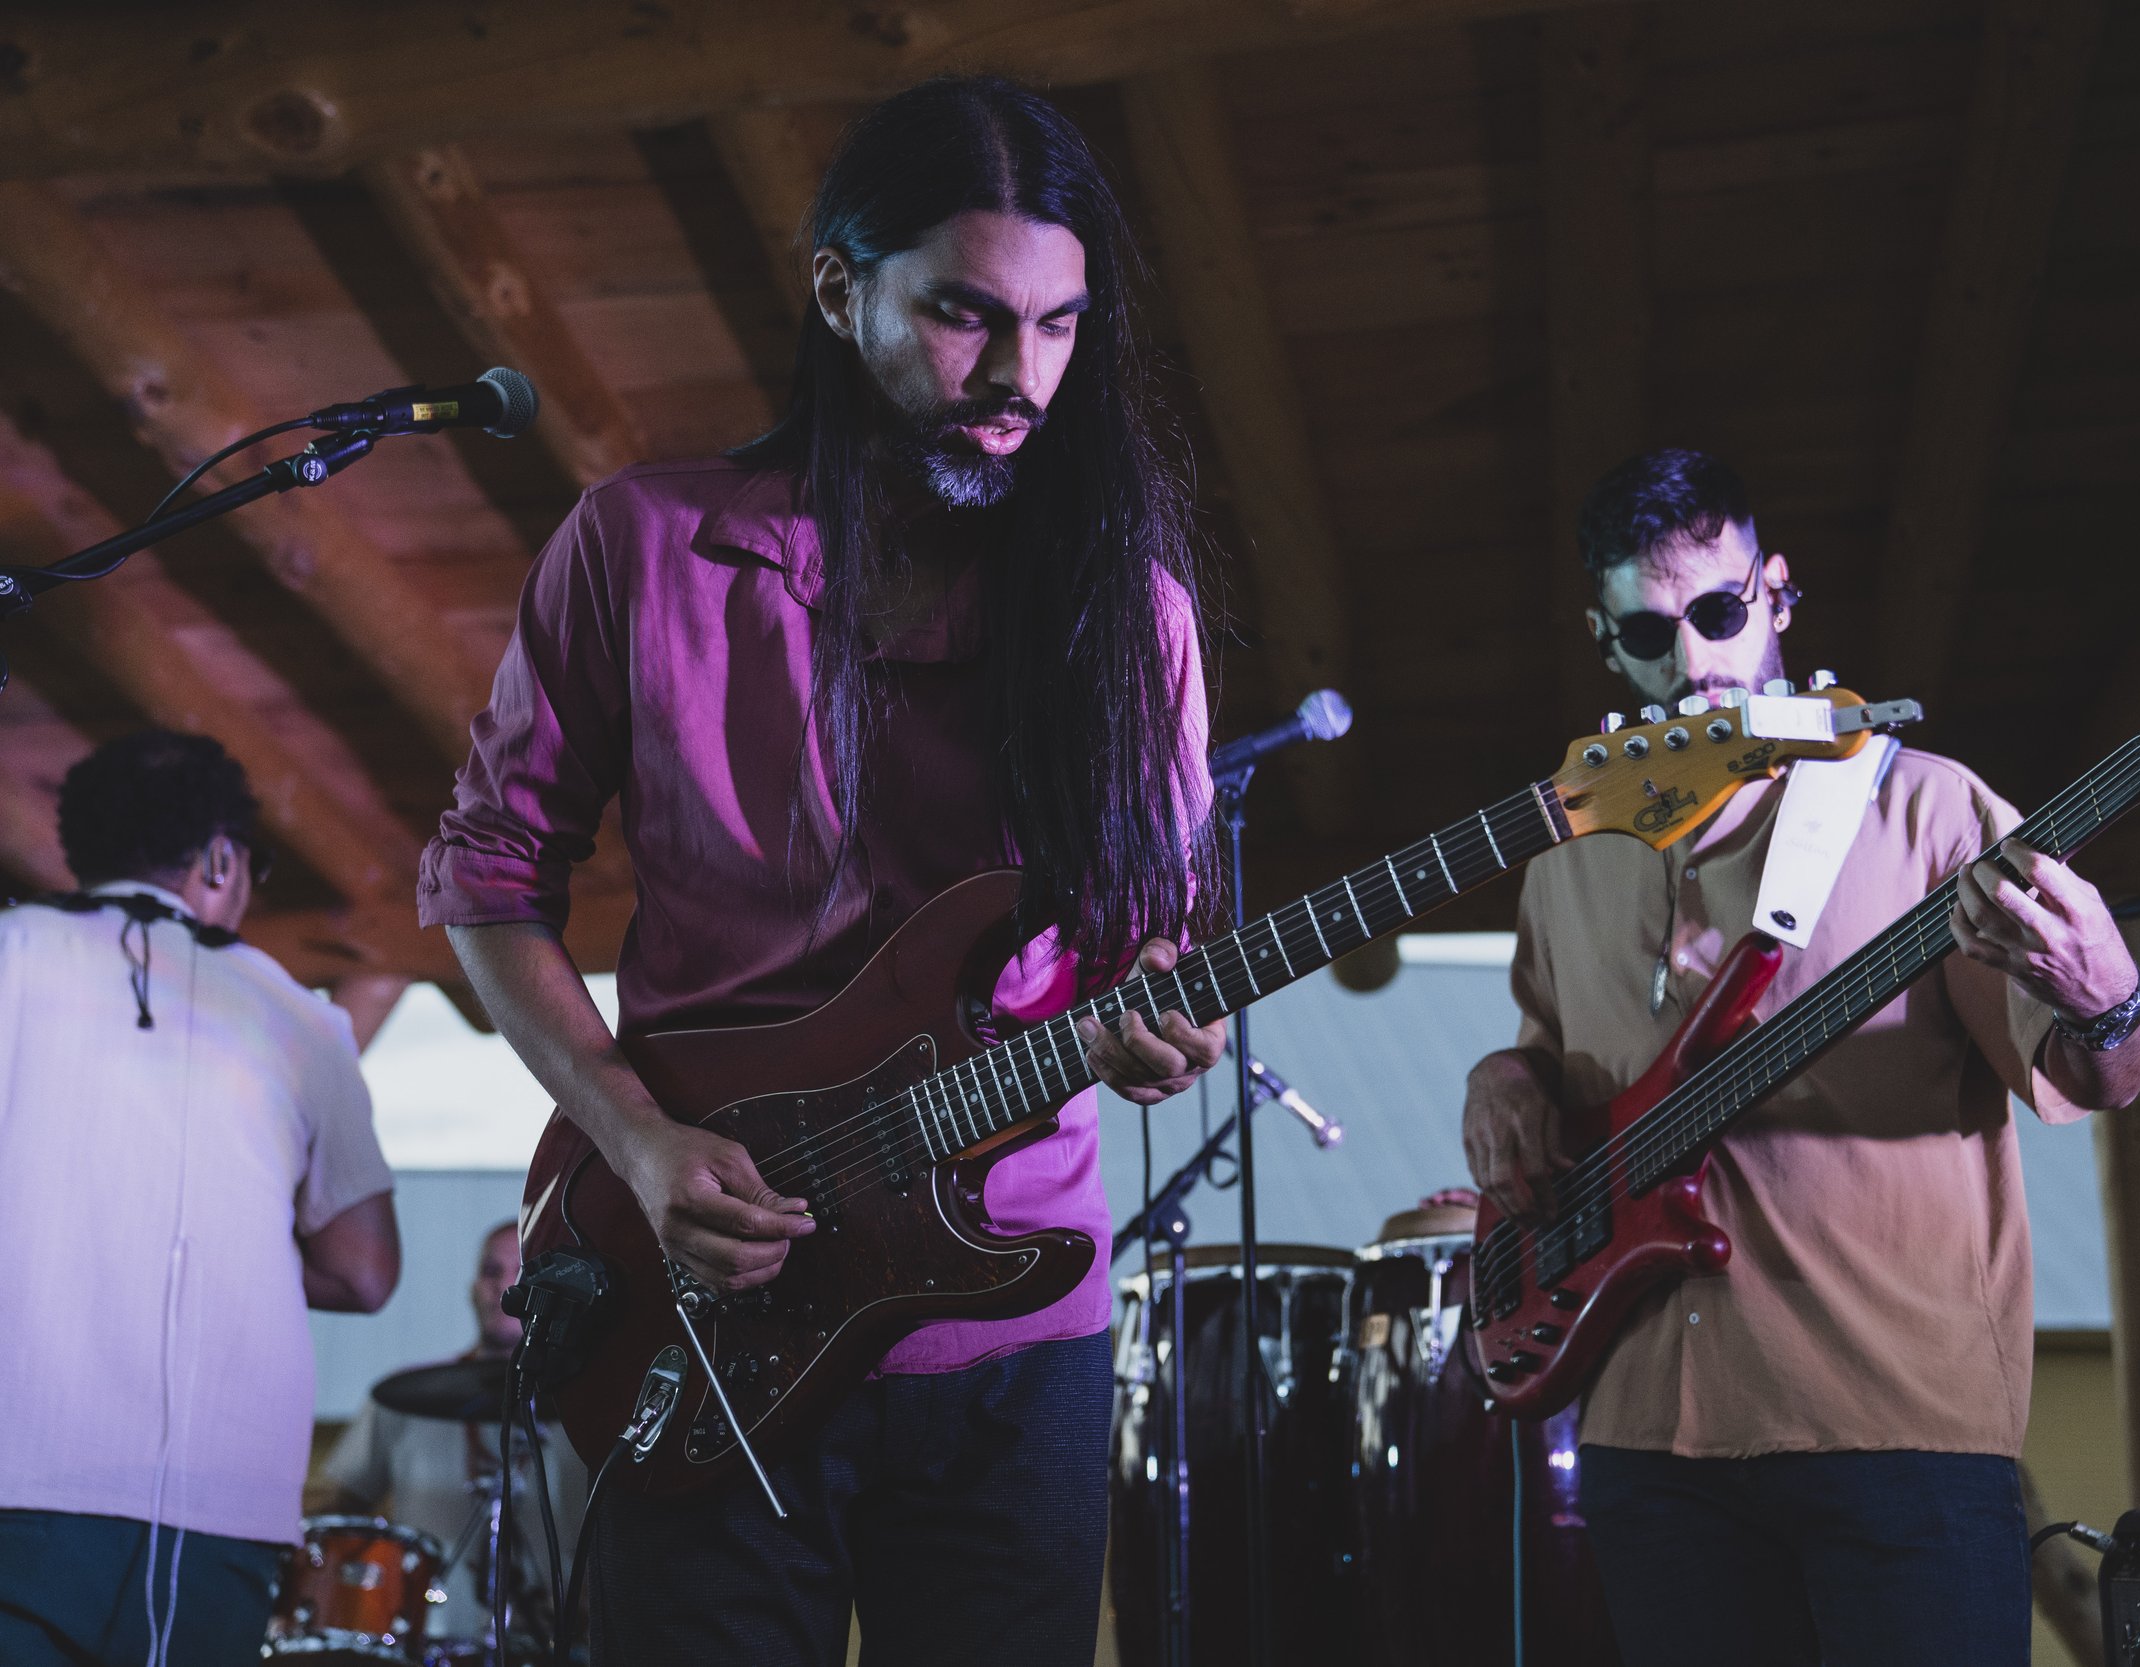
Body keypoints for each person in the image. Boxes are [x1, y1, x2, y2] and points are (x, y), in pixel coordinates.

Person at [417, 77, 1224, 1665]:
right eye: (966, 316)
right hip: (708, 1306)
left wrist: (1154, 1013)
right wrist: (637, 1142)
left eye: (1062, 328)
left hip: (1008, 1323)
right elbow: (487, 872)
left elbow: (1152, 938)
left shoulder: (1134, 616)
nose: (1020, 376)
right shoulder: (639, 547)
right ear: (838, 287)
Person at [1461, 450, 2140, 1665]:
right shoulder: (1561, 857)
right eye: (1645, 629)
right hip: (1642, 1438)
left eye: (1719, 613)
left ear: (1776, 591)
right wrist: (1503, 1077)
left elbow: (2100, 1070)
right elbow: (1557, 1077)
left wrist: (2110, 997)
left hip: (1893, 1441)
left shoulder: (1933, 813)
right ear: (1602, 635)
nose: (1690, 663)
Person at [0, 728, 400, 1667]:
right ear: (220, 860)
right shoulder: (298, 1013)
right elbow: (365, 1269)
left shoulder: (11, 953)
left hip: (17, 1467)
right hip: (215, 1495)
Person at [315, 1220, 591, 1643]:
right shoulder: (402, 1401)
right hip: (429, 1637)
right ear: (471, 1287)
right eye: (490, 1271)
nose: (502, 1289)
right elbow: (339, 1514)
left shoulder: (593, 1410)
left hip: (564, 1639)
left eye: (521, 1274)